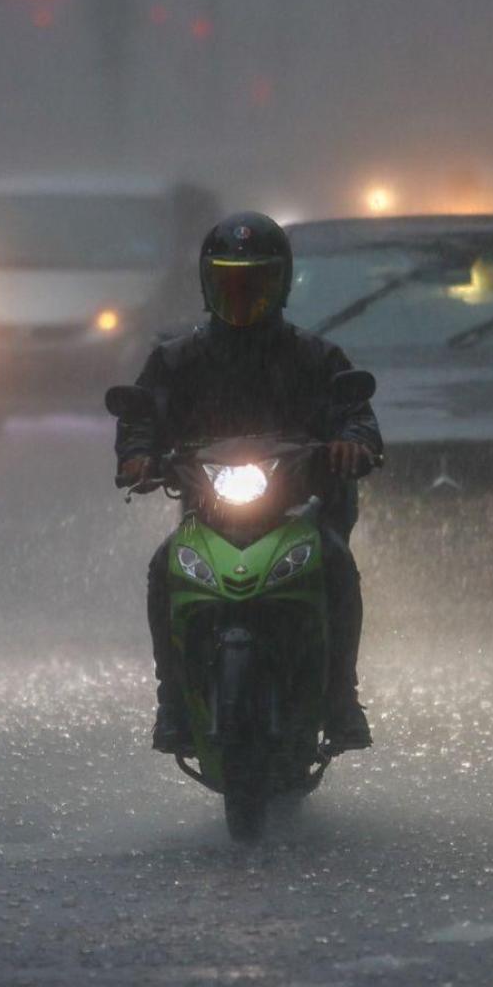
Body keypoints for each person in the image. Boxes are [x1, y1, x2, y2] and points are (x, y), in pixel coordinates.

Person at [113, 211, 382, 755]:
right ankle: (171, 699)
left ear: (281, 284)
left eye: (255, 283)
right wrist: (139, 455)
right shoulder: (176, 360)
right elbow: (141, 416)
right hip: (209, 516)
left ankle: (341, 698)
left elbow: (356, 413)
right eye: (229, 283)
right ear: (207, 284)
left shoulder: (317, 356)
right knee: (163, 568)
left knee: (335, 563)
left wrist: (351, 444)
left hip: (300, 512)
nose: (241, 296)